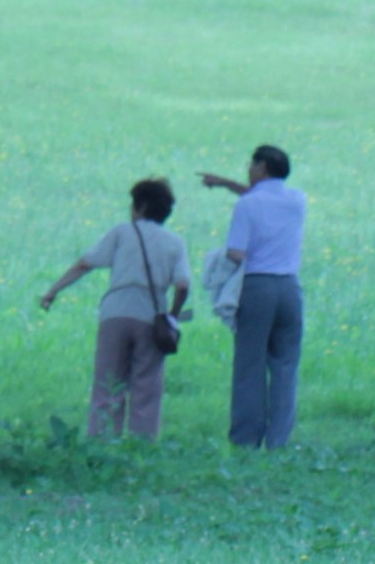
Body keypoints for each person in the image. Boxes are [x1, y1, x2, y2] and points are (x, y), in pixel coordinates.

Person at [38, 176, 192, 440]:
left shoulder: (122, 233)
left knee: (107, 384)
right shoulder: (174, 243)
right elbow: (182, 285)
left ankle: (102, 442)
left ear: (140, 206)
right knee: (146, 388)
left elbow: (84, 263)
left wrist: (54, 290)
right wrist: (172, 316)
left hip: (115, 313)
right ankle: (141, 446)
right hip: (150, 316)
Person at [199, 144, 310, 450]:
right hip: (289, 287)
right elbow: (260, 196)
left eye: (252, 164)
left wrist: (215, 267)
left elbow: (236, 253)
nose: (248, 170)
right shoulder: (298, 200)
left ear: (262, 167)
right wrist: (224, 183)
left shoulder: (247, 206)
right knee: (285, 366)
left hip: (257, 287)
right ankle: (279, 441)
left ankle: (246, 439)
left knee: (250, 365)